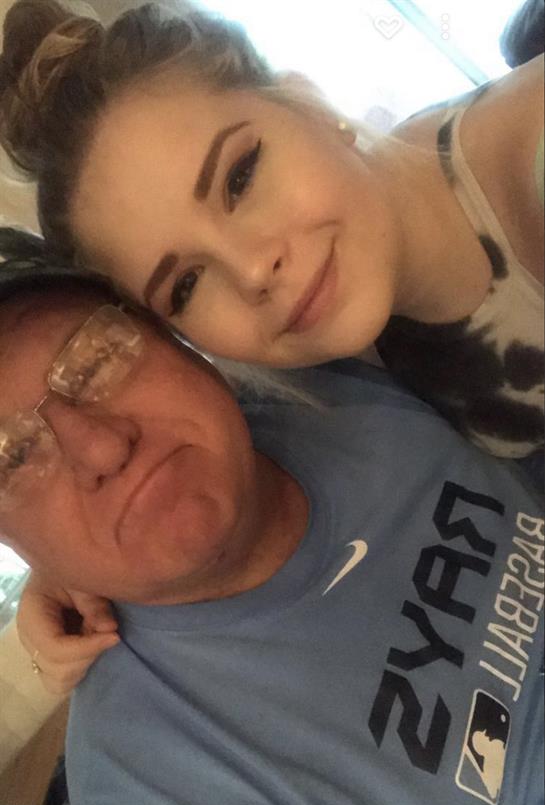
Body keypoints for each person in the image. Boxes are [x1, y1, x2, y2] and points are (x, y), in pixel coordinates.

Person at [0, 253, 543, 805]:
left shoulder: (335, 376)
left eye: (90, 363)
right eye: (13, 458)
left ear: (180, 343)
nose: (102, 449)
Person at [0, 0, 543, 462]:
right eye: (185, 286)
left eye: (240, 177)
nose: (253, 269)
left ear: (307, 103)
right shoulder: (336, 366)